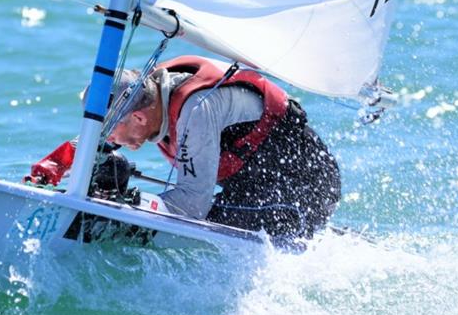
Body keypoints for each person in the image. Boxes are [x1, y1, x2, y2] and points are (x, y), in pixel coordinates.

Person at [103, 55, 341, 240]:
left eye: (110, 128)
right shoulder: (149, 95)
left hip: (306, 187)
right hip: (250, 190)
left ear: (139, 118)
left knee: (204, 224)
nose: (110, 137)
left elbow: (193, 205)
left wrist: (131, 205)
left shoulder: (196, 109)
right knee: (206, 219)